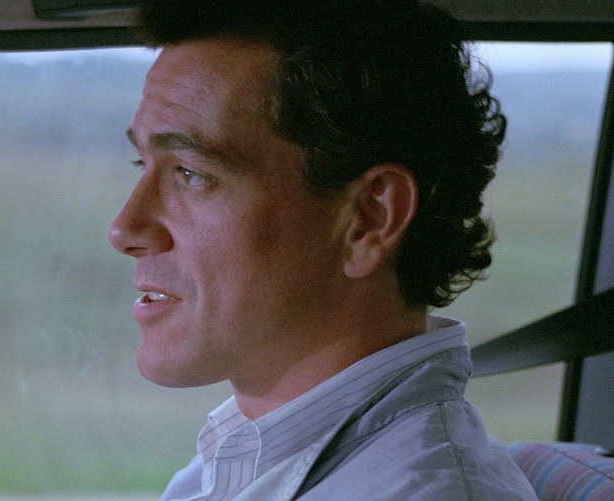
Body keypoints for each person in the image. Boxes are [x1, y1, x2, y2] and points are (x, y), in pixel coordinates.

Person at [107, 0, 537, 499]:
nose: (125, 228)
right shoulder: (237, 463)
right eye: (143, 164)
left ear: (369, 220)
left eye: (192, 173)